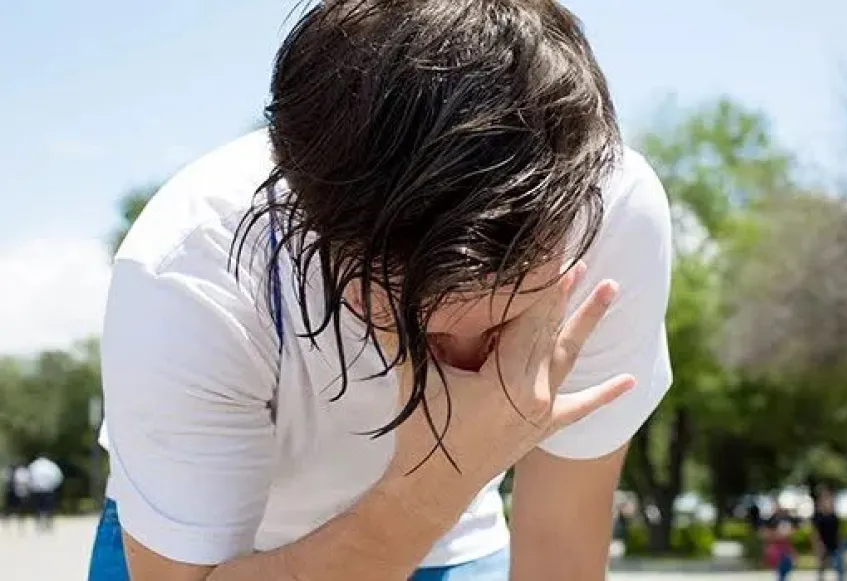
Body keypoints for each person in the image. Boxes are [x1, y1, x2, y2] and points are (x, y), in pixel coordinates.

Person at [87, 1, 673, 580]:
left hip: (453, 546)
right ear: (311, 232)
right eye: (424, 330)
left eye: (506, 322)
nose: (480, 376)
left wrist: (439, 498)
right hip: (198, 551)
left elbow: (559, 549)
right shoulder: (191, 272)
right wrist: (429, 491)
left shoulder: (613, 218)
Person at [811, 489, 844, 581]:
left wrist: (841, 543)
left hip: (835, 545)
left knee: (840, 569)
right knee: (822, 569)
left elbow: (839, 532)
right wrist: (817, 545)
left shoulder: (834, 516)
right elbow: (815, 533)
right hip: (823, 545)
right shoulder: (818, 516)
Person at [27, 455, 64, 532]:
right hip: (49, 490)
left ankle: (38, 525)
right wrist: (53, 486)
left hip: (37, 490)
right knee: (49, 508)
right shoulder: (51, 466)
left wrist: (32, 487)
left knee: (38, 508)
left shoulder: (34, 465)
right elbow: (59, 477)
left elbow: (28, 477)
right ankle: (48, 524)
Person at [762, 502, 797, 581]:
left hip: (786, 547)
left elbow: (793, 531)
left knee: (787, 566)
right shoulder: (771, 519)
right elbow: (766, 533)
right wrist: (777, 535)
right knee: (781, 568)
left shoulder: (787, 518)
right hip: (777, 548)